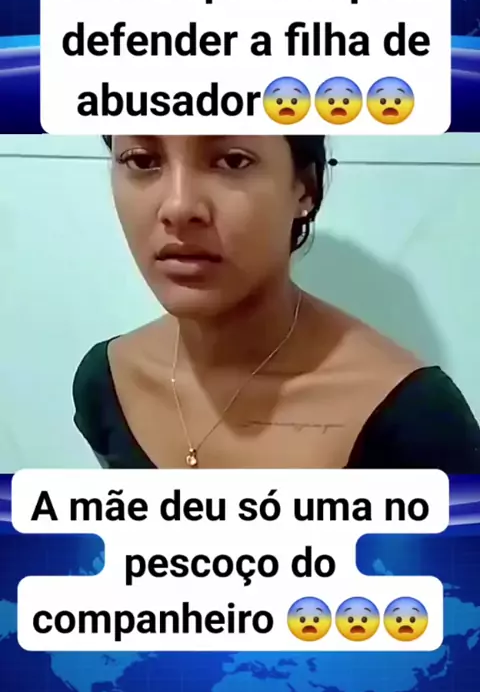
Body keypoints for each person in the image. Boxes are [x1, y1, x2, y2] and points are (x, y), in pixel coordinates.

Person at [73, 134, 480, 470]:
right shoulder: (107, 384)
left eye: (232, 161)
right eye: (142, 160)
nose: (179, 207)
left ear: (304, 187)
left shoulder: (413, 420)